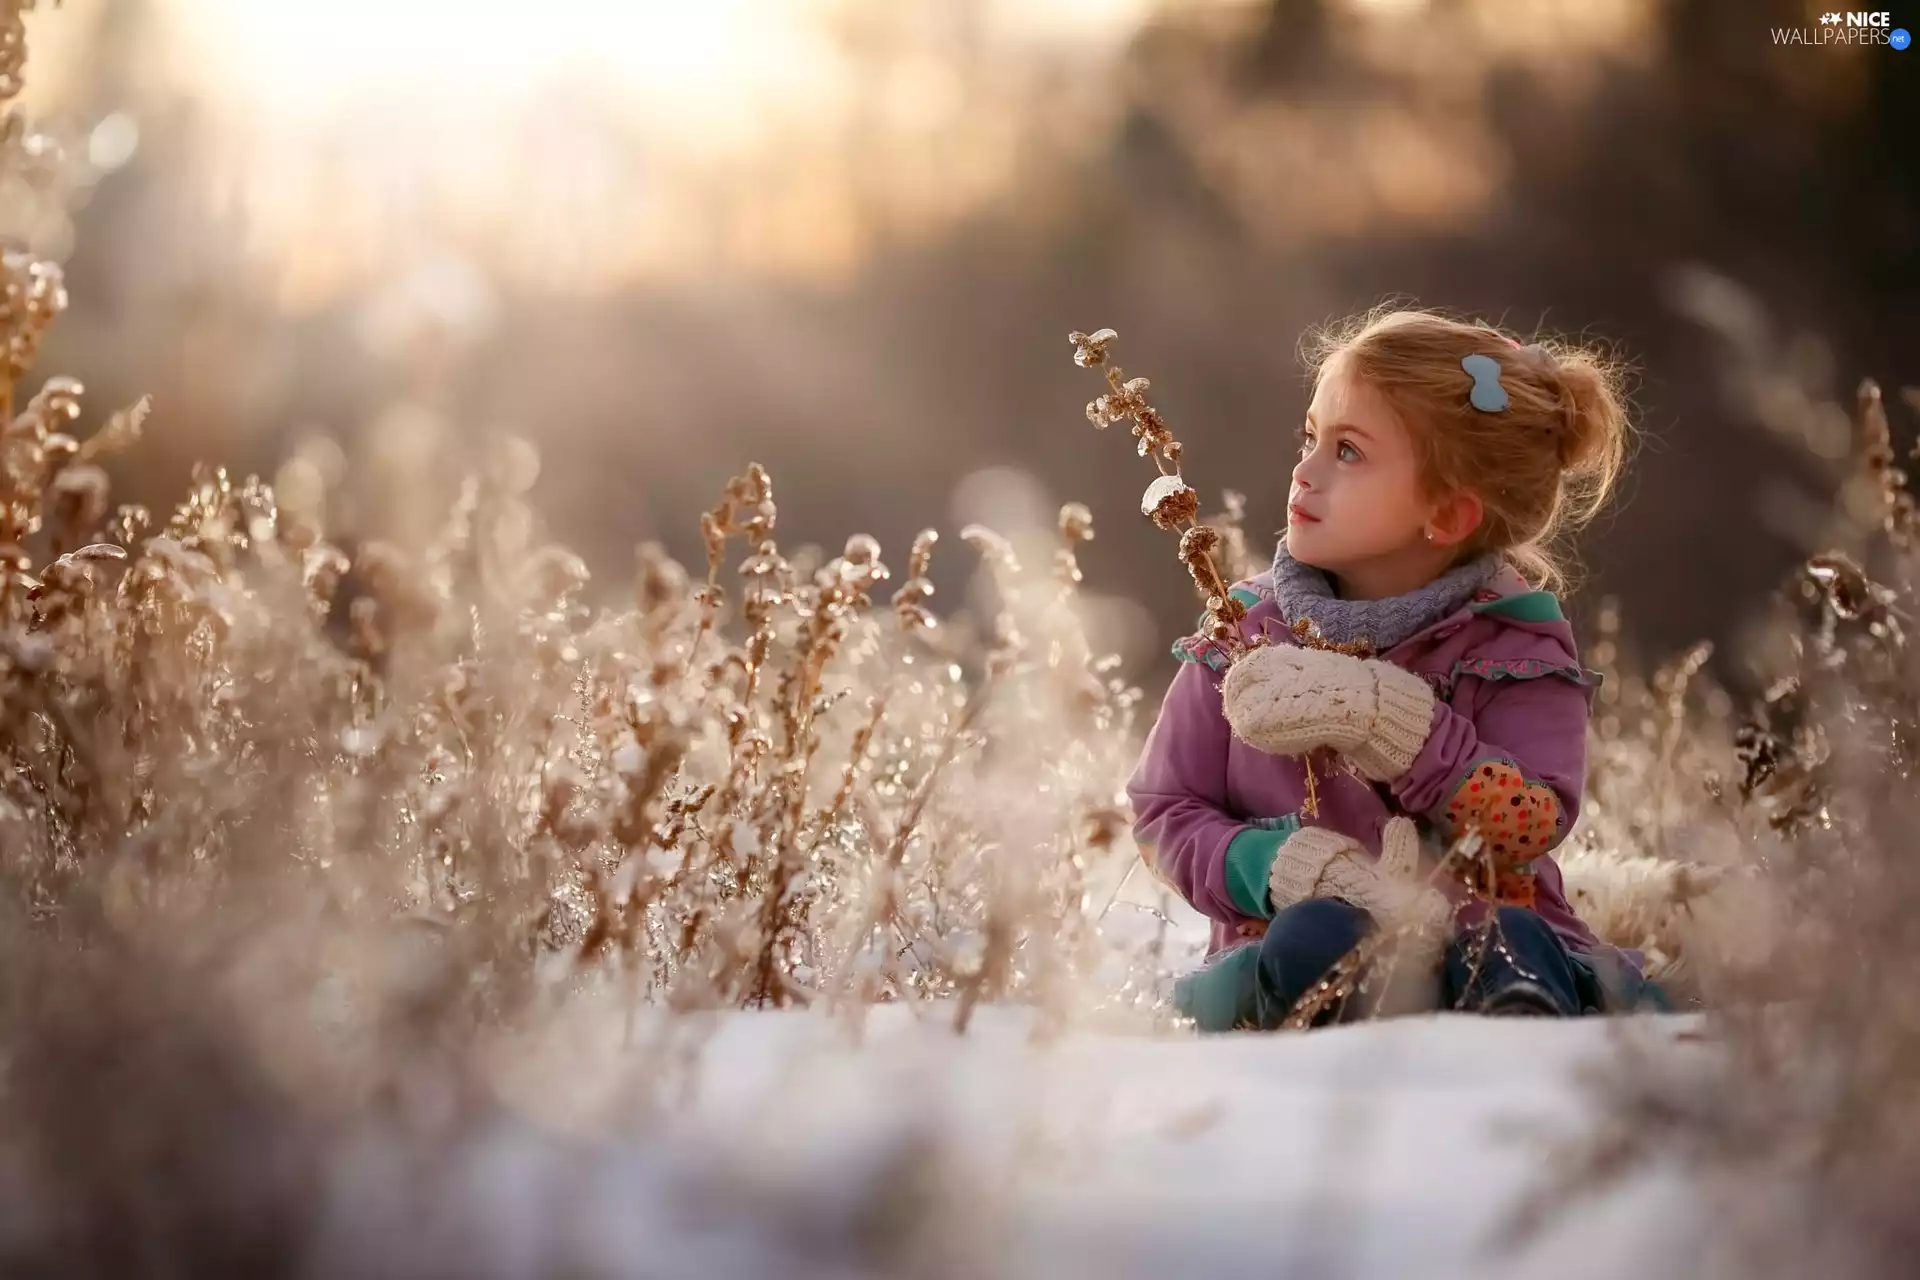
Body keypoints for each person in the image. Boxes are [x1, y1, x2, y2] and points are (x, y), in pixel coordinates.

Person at [1127, 306, 1662, 1032]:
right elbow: (1164, 810)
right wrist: (1277, 866)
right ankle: (1342, 1029)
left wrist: (1397, 725)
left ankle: (1515, 1045)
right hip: (1299, 942)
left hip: (1483, 936)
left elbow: (1530, 822)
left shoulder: (1514, 645)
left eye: (1347, 451)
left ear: (1447, 514)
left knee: (1510, 938)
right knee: (1312, 937)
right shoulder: (1243, 630)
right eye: (1310, 437)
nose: (1304, 471)